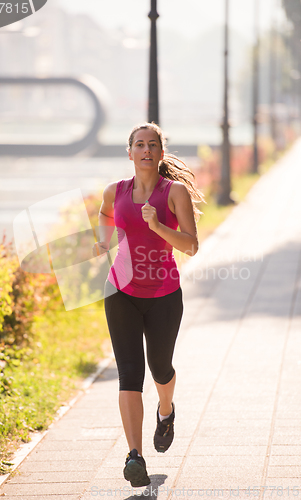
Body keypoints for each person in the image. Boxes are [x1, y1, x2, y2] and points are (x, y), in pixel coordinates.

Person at [93, 122, 204, 488]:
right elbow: (105, 215)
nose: (145, 150)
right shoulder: (115, 191)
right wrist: (101, 241)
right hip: (121, 292)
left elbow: (190, 245)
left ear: (160, 152)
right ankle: (134, 456)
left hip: (163, 296)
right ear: (129, 153)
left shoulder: (175, 194)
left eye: (151, 144)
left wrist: (158, 227)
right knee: (129, 373)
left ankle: (166, 410)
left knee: (160, 367)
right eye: (138, 144)